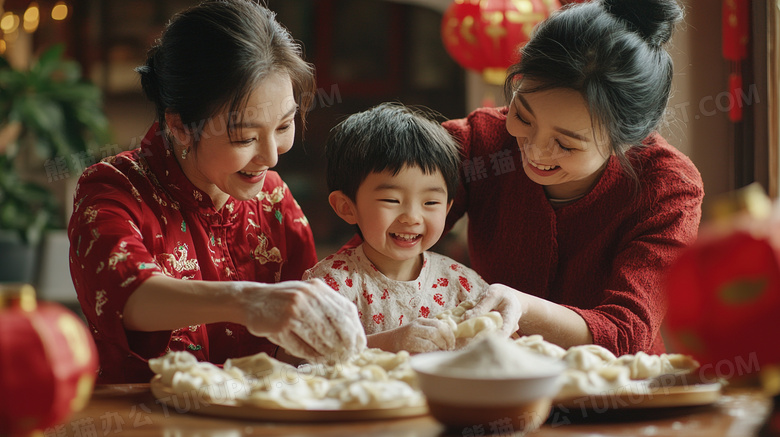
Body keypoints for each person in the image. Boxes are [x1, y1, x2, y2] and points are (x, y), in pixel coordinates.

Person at [68, 0, 365, 384]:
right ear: (180, 126)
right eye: (245, 137)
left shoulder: (273, 198)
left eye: (284, 126)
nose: (271, 157)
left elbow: (302, 335)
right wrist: (249, 300)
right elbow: (130, 298)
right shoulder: (112, 189)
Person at [444, 0, 704, 356]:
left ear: (625, 142)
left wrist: (519, 305)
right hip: (493, 382)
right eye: (522, 116)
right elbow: (386, 233)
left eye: (565, 144)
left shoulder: (667, 186)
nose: (534, 150)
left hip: (614, 396)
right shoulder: (479, 143)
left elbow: (627, 334)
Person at [303, 103, 490, 354]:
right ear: (347, 207)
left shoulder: (463, 285)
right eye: (392, 200)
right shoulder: (331, 285)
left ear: (447, 209)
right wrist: (389, 343)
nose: (412, 217)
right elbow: (296, 357)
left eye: (431, 202)